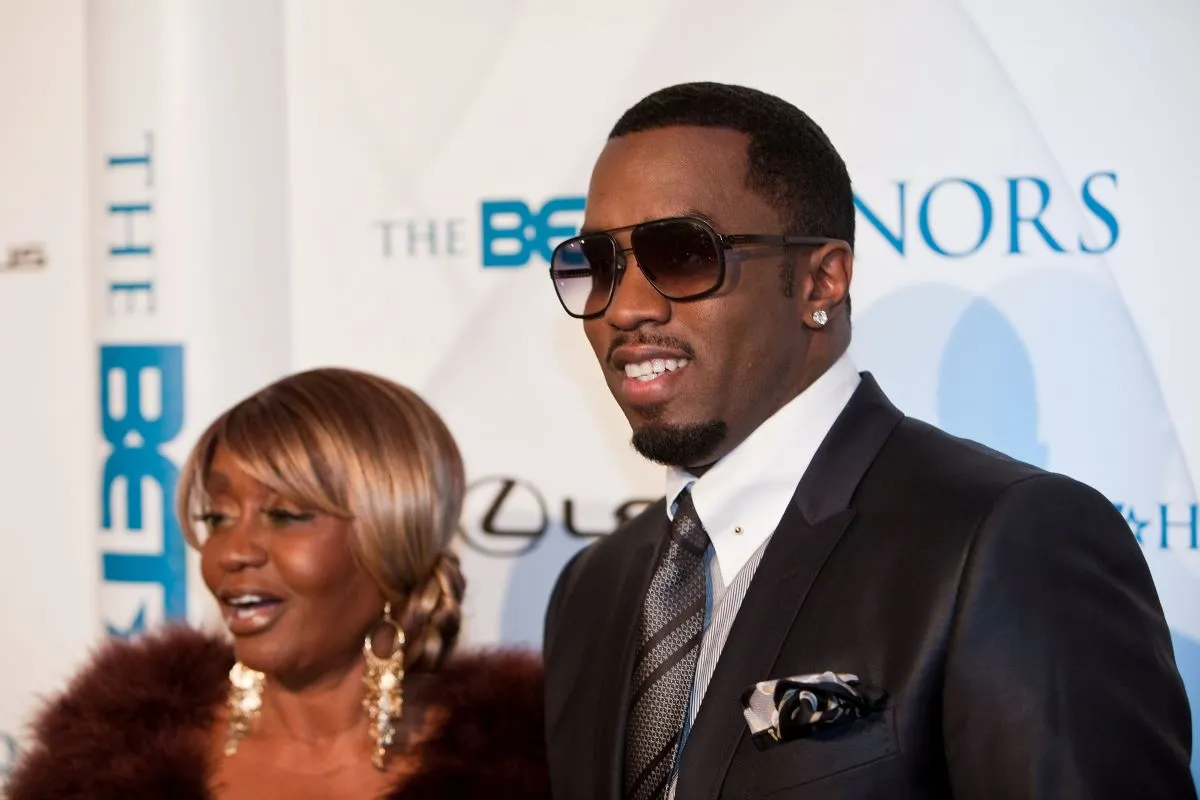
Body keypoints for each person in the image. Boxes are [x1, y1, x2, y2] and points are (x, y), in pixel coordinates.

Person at [541, 82, 1195, 799]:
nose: (627, 307)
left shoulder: (1004, 542)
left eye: (684, 255)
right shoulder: (594, 588)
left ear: (822, 281)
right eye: (599, 262)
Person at [8, 367, 549, 799]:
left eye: (287, 515)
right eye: (217, 516)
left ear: (394, 535)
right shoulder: (106, 754)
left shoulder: (532, 763)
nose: (232, 552)